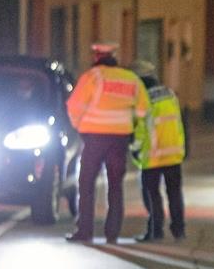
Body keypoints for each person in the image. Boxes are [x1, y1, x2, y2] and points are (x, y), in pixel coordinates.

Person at [65, 42, 149, 243]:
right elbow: (143, 110)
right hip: (119, 140)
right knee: (115, 186)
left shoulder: (92, 77)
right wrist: (129, 125)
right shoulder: (131, 79)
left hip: (94, 138)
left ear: (96, 57)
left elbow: (74, 106)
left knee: (86, 184)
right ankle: (113, 233)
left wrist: (79, 127)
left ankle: (85, 231)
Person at [130, 60, 186, 241]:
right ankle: (179, 230)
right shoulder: (170, 94)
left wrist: (134, 149)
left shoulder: (143, 99)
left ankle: (155, 230)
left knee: (152, 194)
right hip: (173, 154)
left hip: (152, 156)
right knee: (175, 193)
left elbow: (139, 130)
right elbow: (180, 122)